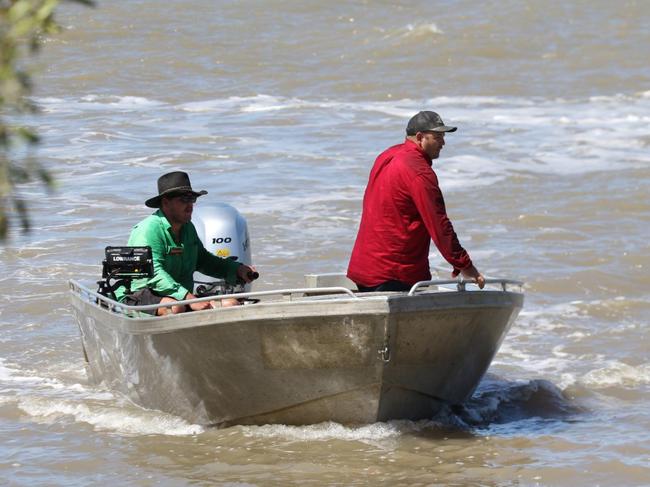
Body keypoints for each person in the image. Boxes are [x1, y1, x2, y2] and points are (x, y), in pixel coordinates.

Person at [347, 110, 485, 292]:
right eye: (437, 136)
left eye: (443, 136)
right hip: (394, 274)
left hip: (363, 269)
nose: (443, 142)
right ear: (420, 137)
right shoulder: (419, 171)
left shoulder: (386, 156)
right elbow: (439, 224)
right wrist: (466, 266)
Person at [114, 171, 257, 315]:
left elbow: (204, 261)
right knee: (175, 308)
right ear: (165, 202)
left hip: (179, 296)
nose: (190, 206)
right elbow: (154, 275)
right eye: (184, 199)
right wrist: (189, 299)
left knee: (230, 303)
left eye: (192, 199)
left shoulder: (188, 227)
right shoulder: (149, 229)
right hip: (139, 295)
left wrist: (236, 269)